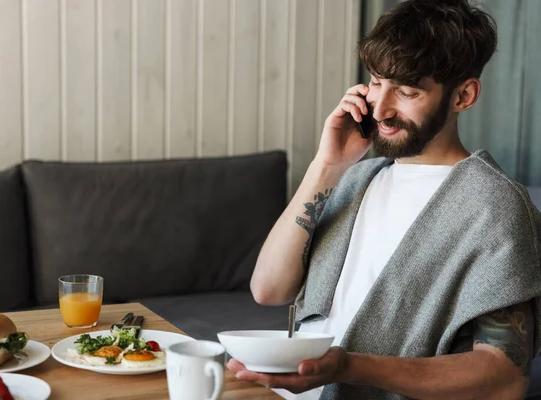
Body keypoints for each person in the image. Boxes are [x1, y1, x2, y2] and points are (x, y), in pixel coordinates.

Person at [228, 0, 541, 399]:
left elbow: (505, 376)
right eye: (376, 82)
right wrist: (327, 165)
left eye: (408, 91)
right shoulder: (357, 178)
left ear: (463, 95)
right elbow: (268, 289)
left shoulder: (494, 207)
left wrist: (349, 365)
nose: (381, 109)